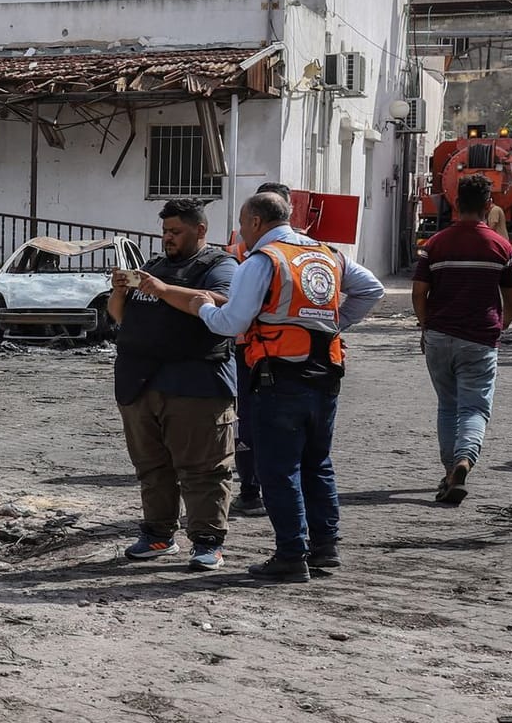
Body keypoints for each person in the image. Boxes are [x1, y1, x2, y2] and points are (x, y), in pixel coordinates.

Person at [155, 192, 384, 582]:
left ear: (256, 222)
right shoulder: (327, 254)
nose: (241, 233)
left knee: (279, 470)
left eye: (243, 224)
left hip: (278, 377)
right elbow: (372, 289)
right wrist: (331, 325)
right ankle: (325, 549)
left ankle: (291, 555)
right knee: (318, 463)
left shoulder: (265, 260)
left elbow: (233, 323)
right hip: (325, 373)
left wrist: (201, 307)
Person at [105, 199, 239, 570]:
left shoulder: (220, 265)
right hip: (141, 384)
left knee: (204, 468)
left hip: (196, 384)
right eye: (165, 231)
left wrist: (163, 290)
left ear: (200, 230)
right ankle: (158, 535)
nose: (168, 238)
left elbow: (224, 305)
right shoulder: (154, 266)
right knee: (152, 467)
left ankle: (207, 542)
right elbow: (121, 318)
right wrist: (120, 290)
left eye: (175, 232)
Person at [413, 175, 512, 506]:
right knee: (473, 407)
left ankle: (449, 473)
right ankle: (464, 461)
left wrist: (426, 325)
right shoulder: (500, 246)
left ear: (456, 204)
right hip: (479, 338)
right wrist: (498, 327)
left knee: (448, 405)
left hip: (439, 337)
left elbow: (419, 293)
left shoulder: (435, 244)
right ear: (489, 205)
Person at [225, 181, 292, 518]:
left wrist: (208, 313)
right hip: (296, 354)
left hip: (249, 349)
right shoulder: (314, 251)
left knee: (250, 419)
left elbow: (232, 311)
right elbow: (368, 288)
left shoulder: (245, 253)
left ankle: (252, 489)